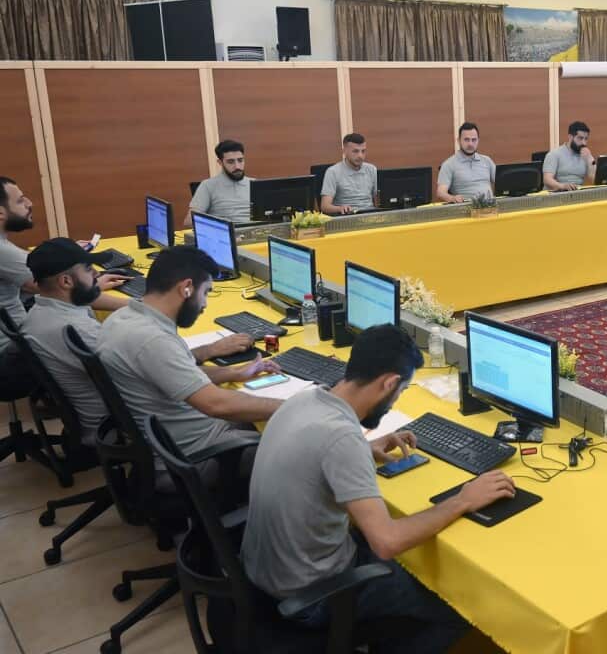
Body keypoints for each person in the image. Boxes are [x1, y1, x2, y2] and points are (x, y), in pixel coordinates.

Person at [242, 324, 516, 654]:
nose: (394, 401)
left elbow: (319, 455)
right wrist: (463, 500)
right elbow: (387, 542)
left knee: (416, 565)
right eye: (399, 392)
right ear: (388, 383)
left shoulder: (304, 401)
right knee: (462, 605)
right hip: (312, 597)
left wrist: (365, 447)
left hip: (263, 576)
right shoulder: (342, 439)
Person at [22, 238, 251, 446]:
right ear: (65, 281)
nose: (96, 277)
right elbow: (153, 360)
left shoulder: (41, 313)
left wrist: (231, 372)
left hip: (138, 428)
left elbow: (154, 363)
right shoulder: (76, 329)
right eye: (89, 270)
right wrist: (210, 351)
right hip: (155, 440)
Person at [98, 246, 281, 466]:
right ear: (186, 288)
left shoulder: (122, 318)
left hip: (177, 442)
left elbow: (172, 373)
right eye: (205, 293)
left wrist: (232, 372)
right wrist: (295, 405)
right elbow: (217, 405)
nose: (204, 304)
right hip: (196, 458)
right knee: (299, 448)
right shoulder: (152, 340)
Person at [1, 178, 128, 399]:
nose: (30, 203)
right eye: (21, 200)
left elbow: (53, 283)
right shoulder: (2, 251)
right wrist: (144, 306)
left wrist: (69, 257)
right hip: (12, 360)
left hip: (23, 341)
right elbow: (56, 290)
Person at [185, 139, 252, 227]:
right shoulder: (208, 186)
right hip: (226, 233)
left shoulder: (255, 184)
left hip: (257, 233)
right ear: (220, 162)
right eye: (230, 162)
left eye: (240, 160)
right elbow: (189, 221)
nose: (237, 166)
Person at [436, 122, 496, 204]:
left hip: (490, 207)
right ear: (458, 141)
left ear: (478, 140)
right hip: (465, 209)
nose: (470, 144)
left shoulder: (487, 160)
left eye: (474, 140)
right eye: (466, 139)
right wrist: (452, 198)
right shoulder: (448, 164)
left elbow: (503, 183)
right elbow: (441, 193)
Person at [320, 133, 378, 215]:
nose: (360, 156)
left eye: (363, 151)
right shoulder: (333, 172)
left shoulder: (372, 169)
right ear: (344, 151)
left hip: (370, 215)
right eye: (355, 151)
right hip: (347, 216)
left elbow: (378, 201)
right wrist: (340, 208)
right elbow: (325, 206)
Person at [543, 121, 596, 191]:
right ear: (570, 137)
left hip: (576, 193)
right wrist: (562, 186)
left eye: (586, 139)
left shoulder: (585, 155)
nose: (584, 142)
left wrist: (589, 159)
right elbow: (547, 180)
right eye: (580, 138)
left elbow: (595, 180)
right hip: (556, 194)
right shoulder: (554, 154)